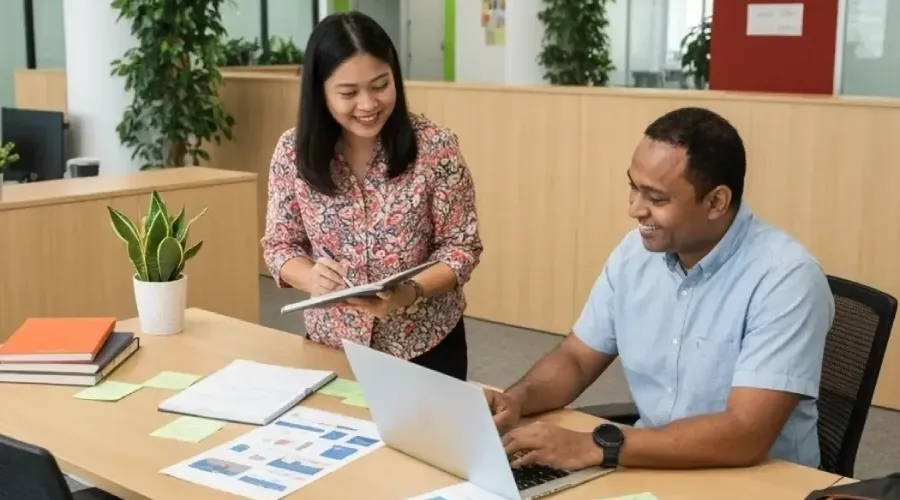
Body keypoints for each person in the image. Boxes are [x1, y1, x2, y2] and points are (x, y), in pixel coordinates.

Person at [486, 107, 835, 471]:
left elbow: (744, 433)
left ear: (716, 202)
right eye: (633, 188)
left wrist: (595, 446)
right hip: (651, 462)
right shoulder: (633, 254)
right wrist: (518, 399)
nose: (635, 209)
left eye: (656, 198)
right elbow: (575, 359)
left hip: (757, 482)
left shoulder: (786, 279)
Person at [261, 12, 482, 381]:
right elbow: (280, 246)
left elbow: (462, 247)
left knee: (422, 441)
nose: (368, 104)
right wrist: (310, 277)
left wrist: (407, 293)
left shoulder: (435, 148)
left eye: (380, 85)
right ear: (320, 92)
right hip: (331, 346)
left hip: (424, 347)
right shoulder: (292, 151)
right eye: (348, 93)